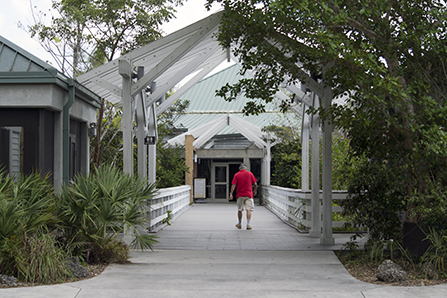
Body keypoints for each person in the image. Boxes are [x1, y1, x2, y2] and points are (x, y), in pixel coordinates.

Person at [229, 163, 257, 230]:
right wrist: (255, 190)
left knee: (240, 209)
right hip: (249, 194)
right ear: (246, 168)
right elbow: (255, 183)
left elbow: (233, 185)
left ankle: (239, 223)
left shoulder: (236, 175)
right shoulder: (250, 174)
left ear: (239, 169)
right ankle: (248, 224)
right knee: (248, 209)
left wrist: (231, 193)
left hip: (240, 195)